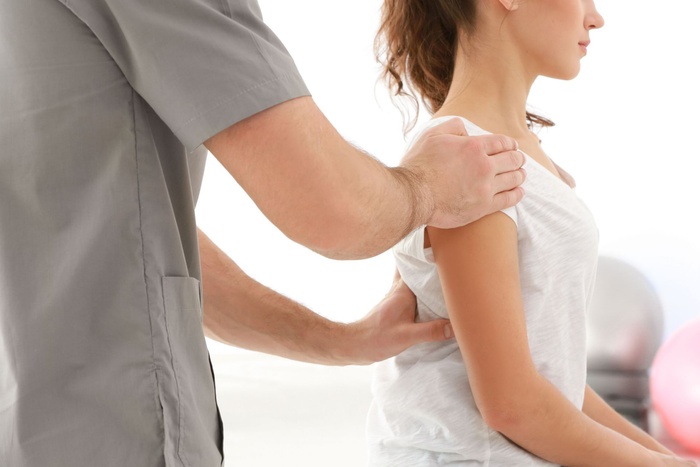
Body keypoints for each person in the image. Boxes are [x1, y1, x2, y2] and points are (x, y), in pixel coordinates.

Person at [0, 1, 528, 466]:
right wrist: (428, 186)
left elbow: (133, 244)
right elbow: (331, 209)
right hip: (111, 427)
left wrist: (344, 341)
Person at [365, 1, 698, 466]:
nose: (595, 17)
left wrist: (668, 459)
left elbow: (554, 380)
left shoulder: (515, 155)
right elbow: (512, 406)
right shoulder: (470, 160)